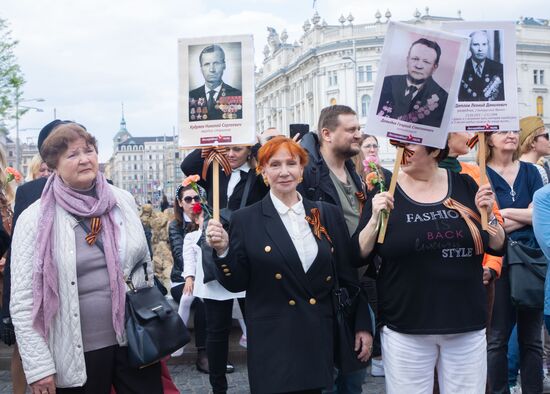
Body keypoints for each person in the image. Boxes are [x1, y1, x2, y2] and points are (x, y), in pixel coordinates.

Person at [206, 136, 373, 393]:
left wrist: (361, 323)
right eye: (274, 164)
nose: (284, 172)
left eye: (291, 163)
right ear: (263, 171)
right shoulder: (246, 220)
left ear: (302, 170)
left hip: (319, 335)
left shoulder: (326, 213)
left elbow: (347, 275)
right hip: (274, 341)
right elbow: (236, 282)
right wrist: (223, 250)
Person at [9, 122, 163, 393]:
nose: (84, 160)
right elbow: (23, 302)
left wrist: (154, 321)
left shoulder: (121, 201)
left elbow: (144, 269)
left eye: (88, 151)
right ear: (53, 166)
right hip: (74, 352)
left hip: (133, 341)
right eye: (72, 155)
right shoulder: (34, 219)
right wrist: (39, 367)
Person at [354, 141, 506, 393]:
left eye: (410, 147)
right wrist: (373, 218)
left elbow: (497, 245)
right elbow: (359, 254)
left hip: (465, 322)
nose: (402, 152)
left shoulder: (466, 186)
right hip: (405, 325)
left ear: (435, 150)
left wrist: (489, 215)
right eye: (398, 145)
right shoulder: (386, 191)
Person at [181, 144, 268, 393]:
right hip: (216, 252)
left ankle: (262, 384)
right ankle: (218, 387)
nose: (230, 154)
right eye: (227, 149)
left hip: (248, 255)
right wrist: (212, 142)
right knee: (216, 329)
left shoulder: (259, 176)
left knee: (257, 327)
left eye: (238, 149)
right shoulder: (214, 170)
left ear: (250, 150)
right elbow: (187, 166)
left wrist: (257, 143)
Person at [300, 105, 371, 392]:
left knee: (353, 381)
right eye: (351, 130)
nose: (359, 134)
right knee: (324, 382)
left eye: (359, 128)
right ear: (327, 134)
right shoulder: (307, 176)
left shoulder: (356, 173)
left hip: (357, 291)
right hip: (322, 296)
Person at [483, 129, 544, 393]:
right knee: (496, 338)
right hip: (497, 264)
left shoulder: (531, 172)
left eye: (514, 131)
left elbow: (541, 215)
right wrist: (524, 214)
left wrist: (504, 212)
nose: (511, 135)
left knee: (532, 339)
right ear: (488, 138)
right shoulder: (479, 174)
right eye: (503, 131)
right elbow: (486, 224)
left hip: (531, 262)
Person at [168, 183, 208, 372]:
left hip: (205, 278)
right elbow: (180, 254)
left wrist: (202, 224)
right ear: (180, 203)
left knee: (209, 299)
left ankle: (215, 351)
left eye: (196, 198)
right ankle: (203, 354)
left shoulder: (208, 219)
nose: (193, 203)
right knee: (201, 301)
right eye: (188, 199)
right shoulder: (175, 225)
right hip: (181, 280)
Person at [376, 38, 448, 128]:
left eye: (426, 62)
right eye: (415, 59)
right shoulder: (386, 83)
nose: (418, 66)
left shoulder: (442, 98)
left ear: (434, 67)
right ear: (407, 60)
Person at [189, 44, 242, 121]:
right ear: (201, 68)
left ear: (224, 65)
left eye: (216, 63)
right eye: (207, 64)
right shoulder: (191, 96)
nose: (212, 69)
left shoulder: (237, 94)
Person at [458, 30, 504, 102]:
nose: (480, 49)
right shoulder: (460, 68)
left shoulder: (499, 68)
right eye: (476, 44)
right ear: (469, 47)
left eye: (484, 44)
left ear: (488, 46)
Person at [519, 115, 550, 184]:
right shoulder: (532, 171)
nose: (549, 141)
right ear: (532, 142)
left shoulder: (516, 166)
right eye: (546, 136)